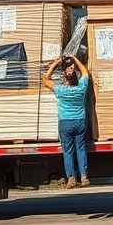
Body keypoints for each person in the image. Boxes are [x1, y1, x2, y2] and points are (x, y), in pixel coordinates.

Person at [42, 54, 90, 188]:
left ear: (64, 79)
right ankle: (84, 176)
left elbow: (45, 79)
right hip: (80, 121)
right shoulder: (81, 88)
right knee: (81, 149)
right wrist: (75, 59)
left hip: (65, 123)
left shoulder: (61, 90)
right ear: (76, 78)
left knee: (68, 151)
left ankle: (71, 179)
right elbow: (85, 72)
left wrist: (56, 63)